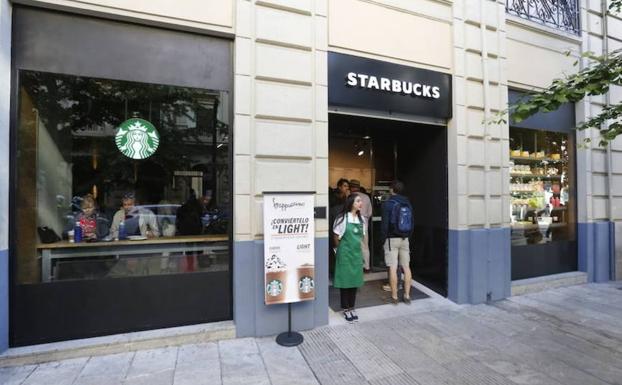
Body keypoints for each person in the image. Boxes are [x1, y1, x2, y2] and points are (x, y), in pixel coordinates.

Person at [333, 194, 366, 323]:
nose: (360, 203)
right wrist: (339, 250)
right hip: (345, 254)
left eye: (360, 201)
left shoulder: (362, 219)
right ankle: (346, 309)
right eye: (358, 201)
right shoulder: (342, 218)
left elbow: (362, 238)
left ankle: (352, 307)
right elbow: (336, 236)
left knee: (354, 281)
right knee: (345, 282)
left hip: (356, 254)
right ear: (351, 202)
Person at [381, 180, 414, 305]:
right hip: (405, 239)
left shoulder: (387, 204)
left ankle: (394, 297)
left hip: (391, 239)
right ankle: (407, 295)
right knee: (406, 267)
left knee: (393, 268)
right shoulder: (408, 203)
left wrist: (383, 239)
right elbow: (412, 223)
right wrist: (407, 236)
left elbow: (384, 225)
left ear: (391, 189)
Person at [349, 179, 372, 272]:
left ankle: (355, 266)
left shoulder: (350, 197)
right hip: (364, 224)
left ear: (351, 187)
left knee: (353, 246)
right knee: (365, 247)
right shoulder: (366, 197)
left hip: (352, 224)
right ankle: (366, 267)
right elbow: (370, 212)